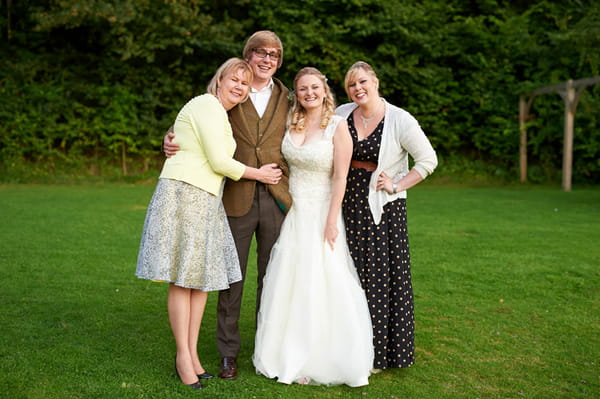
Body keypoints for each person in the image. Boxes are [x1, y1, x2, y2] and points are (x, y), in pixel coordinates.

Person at [136, 57, 283, 390]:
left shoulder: (222, 113)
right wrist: (259, 174)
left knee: (199, 281)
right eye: (233, 79)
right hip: (184, 193)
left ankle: (192, 356)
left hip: (207, 199)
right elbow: (219, 160)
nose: (238, 87)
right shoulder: (205, 104)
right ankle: (182, 357)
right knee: (182, 278)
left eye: (244, 84)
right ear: (219, 80)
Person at [163, 31, 292, 380]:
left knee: (274, 278)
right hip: (232, 196)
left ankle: (269, 350)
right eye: (260, 53)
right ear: (246, 57)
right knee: (227, 281)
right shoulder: (227, 95)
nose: (267, 59)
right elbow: (194, 124)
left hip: (279, 198)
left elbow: (314, 124)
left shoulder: (288, 97)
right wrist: (169, 135)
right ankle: (227, 354)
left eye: (274, 55)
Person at [253, 67, 373, 387]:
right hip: (293, 213)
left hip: (322, 213)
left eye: (314, 87)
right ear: (297, 93)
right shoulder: (291, 123)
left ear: (324, 90)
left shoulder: (337, 126)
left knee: (323, 281)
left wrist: (332, 220)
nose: (309, 93)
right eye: (303, 88)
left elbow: (340, 177)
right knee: (289, 282)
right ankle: (291, 353)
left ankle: (324, 355)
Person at [335, 61, 438, 371]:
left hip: (382, 209)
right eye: (352, 85)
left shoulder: (399, 119)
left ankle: (379, 355)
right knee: (347, 275)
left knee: (379, 280)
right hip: (346, 204)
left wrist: (396, 184)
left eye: (362, 81)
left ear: (376, 82)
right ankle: (345, 346)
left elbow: (428, 160)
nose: (358, 89)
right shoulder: (341, 114)